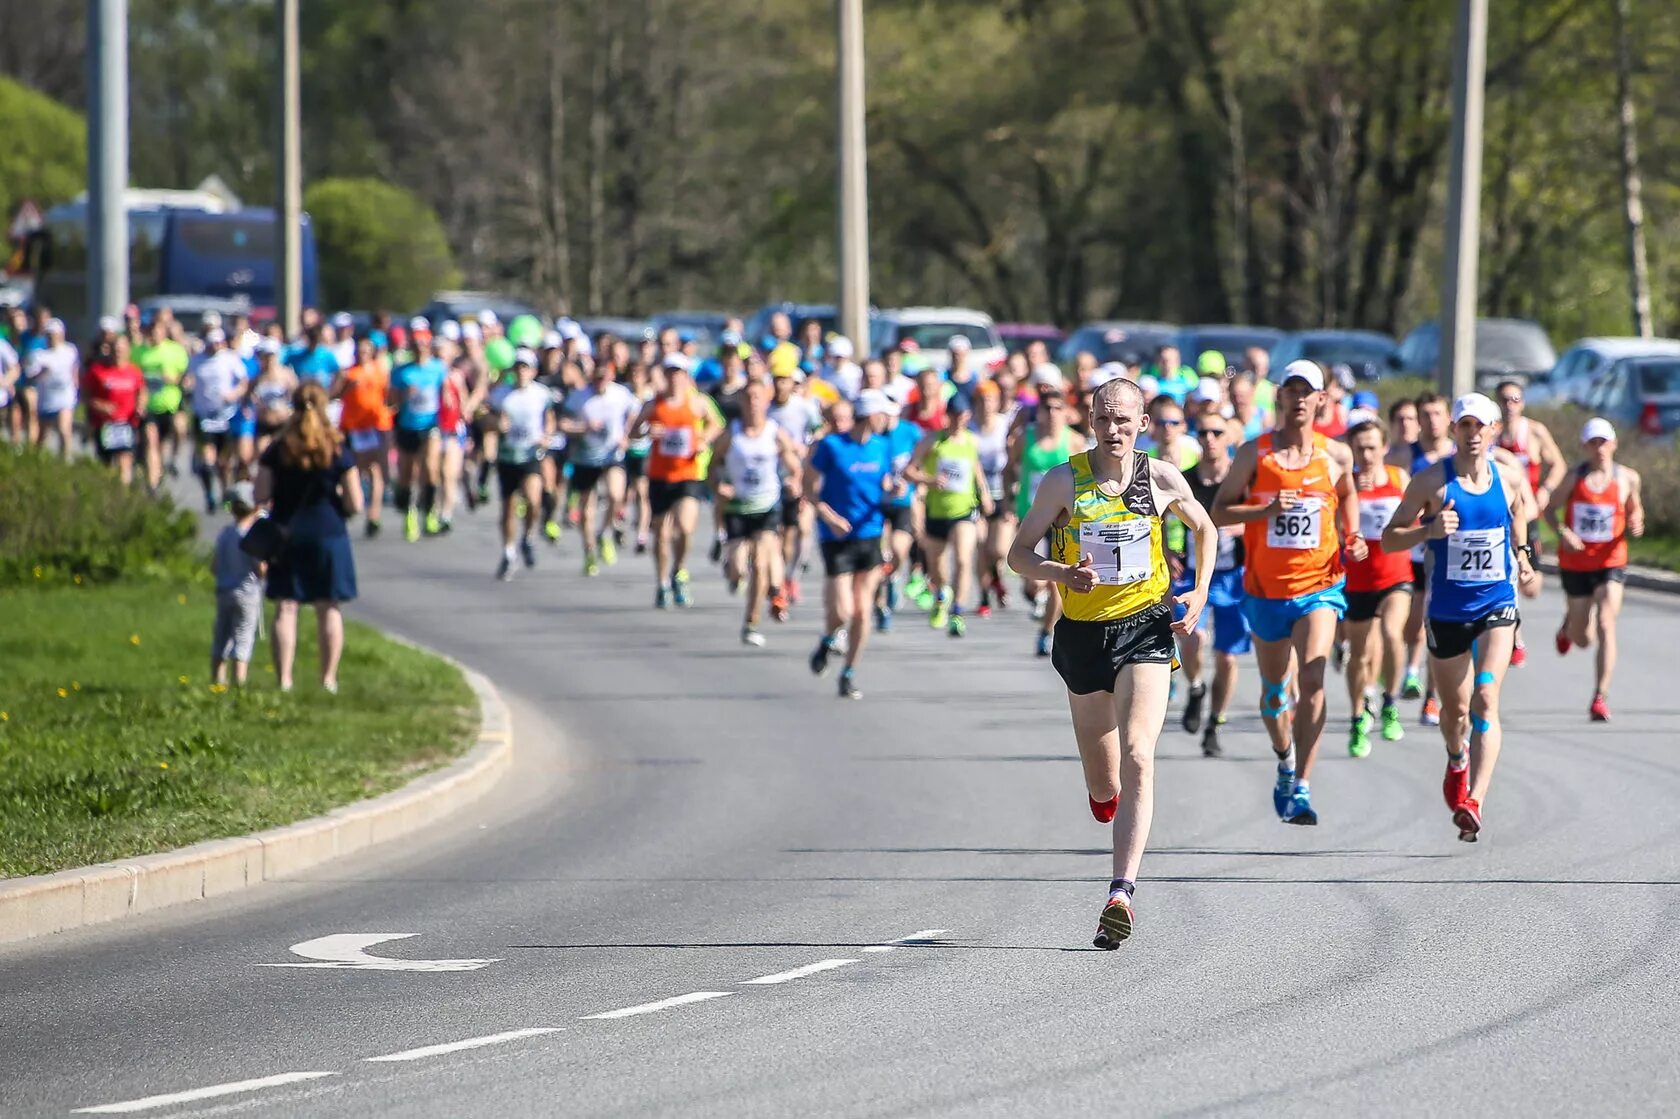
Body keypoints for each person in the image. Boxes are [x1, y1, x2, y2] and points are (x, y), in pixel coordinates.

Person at [1008, 376, 1216, 949]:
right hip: (1082, 635)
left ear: (1142, 423)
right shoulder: (1063, 481)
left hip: (1145, 626)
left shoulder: (1161, 477)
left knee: (1138, 756)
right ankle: (1107, 803)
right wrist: (1061, 573)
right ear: (1091, 422)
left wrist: (1198, 593)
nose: (1114, 429)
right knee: (1105, 786)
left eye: (1125, 419)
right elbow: (1018, 554)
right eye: (1104, 419)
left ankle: (1121, 891)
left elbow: (1207, 529)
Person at [1382, 392, 1540, 841]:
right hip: (1448, 611)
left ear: (1493, 431)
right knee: (1455, 713)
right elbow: (1390, 539)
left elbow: (1519, 512)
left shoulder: (1508, 477)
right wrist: (1428, 530)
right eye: (1464, 426)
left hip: (1497, 605)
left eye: (1480, 426)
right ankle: (1457, 757)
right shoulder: (1431, 481)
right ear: (1454, 431)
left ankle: (1476, 799)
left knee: (1486, 698)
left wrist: (1523, 554)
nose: (1472, 435)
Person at [1213, 361, 1364, 826]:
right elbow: (1218, 511)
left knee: (1314, 680)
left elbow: (1349, 493)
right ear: (1279, 396)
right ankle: (1284, 759)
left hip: (1320, 585)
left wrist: (1353, 535)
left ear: (1322, 399)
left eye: (1309, 391)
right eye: (1292, 390)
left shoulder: (1336, 455)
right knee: (1275, 695)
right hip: (1265, 592)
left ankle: (1302, 783)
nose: (1300, 399)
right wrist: (1266, 510)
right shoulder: (1254, 455)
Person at [254, 383, 363, 693]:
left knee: (287, 606)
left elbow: (260, 494)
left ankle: (284, 680)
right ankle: (328, 679)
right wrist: (339, 504)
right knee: (328, 606)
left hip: (287, 532)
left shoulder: (278, 449)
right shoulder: (337, 448)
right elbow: (356, 502)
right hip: (329, 533)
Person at [1550, 417, 1644, 721]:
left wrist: (1636, 521)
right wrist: (1564, 533)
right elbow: (1549, 510)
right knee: (1583, 639)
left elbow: (1635, 507)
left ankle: (1600, 696)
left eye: (1604, 442)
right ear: (1585, 446)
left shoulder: (1627, 477)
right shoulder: (1573, 478)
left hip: (1610, 561)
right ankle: (1569, 626)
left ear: (1614, 444)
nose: (1599, 448)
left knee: (1606, 623)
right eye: (1593, 443)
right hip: (1576, 563)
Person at [806, 393, 897, 699]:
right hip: (837, 537)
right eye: (880, 413)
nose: (885, 419)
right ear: (867, 415)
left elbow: (884, 481)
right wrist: (829, 517)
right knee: (843, 610)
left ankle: (849, 671)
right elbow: (809, 488)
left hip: (870, 534)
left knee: (862, 610)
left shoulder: (881, 446)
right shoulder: (832, 446)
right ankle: (827, 639)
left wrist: (893, 488)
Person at [1172, 412, 1250, 757]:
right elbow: (1159, 518)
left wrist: (1245, 528)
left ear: (1228, 436)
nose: (1209, 438)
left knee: (1227, 658)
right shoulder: (1185, 480)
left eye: (1216, 432)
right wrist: (1167, 551)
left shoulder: (1241, 481)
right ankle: (1196, 686)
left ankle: (1215, 724)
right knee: (1192, 636)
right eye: (1202, 431)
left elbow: (1266, 516)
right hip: (1193, 572)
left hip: (1234, 576)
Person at [1341, 420, 1414, 756]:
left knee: (1391, 633)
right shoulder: (1346, 484)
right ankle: (1358, 717)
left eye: (1372, 447)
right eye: (1360, 449)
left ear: (1385, 447)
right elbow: (1332, 530)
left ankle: (1390, 702)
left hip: (1395, 576)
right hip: (1357, 581)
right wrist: (1354, 493)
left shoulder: (1400, 479)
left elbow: (1416, 520)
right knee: (1358, 655)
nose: (1367, 455)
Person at [712, 377, 804, 645]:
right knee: (739, 569)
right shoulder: (732, 433)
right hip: (738, 507)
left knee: (761, 564)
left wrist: (794, 481)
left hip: (766, 505)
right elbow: (713, 465)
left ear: (765, 401)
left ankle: (752, 623)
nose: (752, 402)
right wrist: (719, 485)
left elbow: (794, 465)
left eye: (757, 397)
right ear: (741, 401)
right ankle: (735, 570)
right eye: (748, 397)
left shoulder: (774, 432)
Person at [1388, 391, 1455, 724]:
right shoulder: (1403, 455)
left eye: (1437, 414)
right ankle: (1409, 670)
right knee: (1413, 622)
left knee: (1434, 620)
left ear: (1448, 418)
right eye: (1424, 414)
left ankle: (1430, 696)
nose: (1431, 421)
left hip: (1447, 552)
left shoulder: (1459, 458)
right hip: (1413, 548)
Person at [906, 391, 993, 637]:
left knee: (964, 559)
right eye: (953, 415)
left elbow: (975, 467)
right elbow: (909, 471)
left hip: (963, 511)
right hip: (936, 512)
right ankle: (942, 594)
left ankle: (957, 612)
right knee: (936, 566)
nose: (957, 420)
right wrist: (930, 480)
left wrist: (984, 493)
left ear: (967, 416)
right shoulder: (932, 441)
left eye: (962, 416)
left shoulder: (970, 441)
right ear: (947, 416)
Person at [637, 355, 722, 607]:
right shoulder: (654, 404)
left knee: (685, 527)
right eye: (671, 372)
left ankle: (679, 571)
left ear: (686, 376)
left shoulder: (697, 402)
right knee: (661, 534)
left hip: (688, 474)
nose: (675, 377)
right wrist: (648, 431)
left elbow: (717, 425)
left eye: (679, 372)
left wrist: (704, 438)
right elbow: (633, 430)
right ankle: (662, 582)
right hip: (660, 475)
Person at [1494, 380, 1568, 668]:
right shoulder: (1491, 434)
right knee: (1504, 573)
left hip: (1530, 513)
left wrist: (1545, 491)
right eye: (1504, 400)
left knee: (1531, 587)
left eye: (1515, 399)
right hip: (1500, 514)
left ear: (1522, 402)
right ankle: (1514, 630)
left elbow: (1559, 464)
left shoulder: (1534, 431)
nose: (1509, 405)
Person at [1007, 386, 1082, 657]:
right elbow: (1009, 470)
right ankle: (1034, 595)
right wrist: (1007, 499)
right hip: (1031, 516)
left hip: (1062, 522)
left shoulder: (1073, 441)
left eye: (1057, 408)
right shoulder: (1023, 438)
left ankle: (1046, 631)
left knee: (1054, 581)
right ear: (1038, 412)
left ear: (1066, 412)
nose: (1051, 414)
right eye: (1046, 408)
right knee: (1031, 575)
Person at [562, 359, 641, 576]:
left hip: (612, 455)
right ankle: (589, 552)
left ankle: (604, 533)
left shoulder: (621, 394)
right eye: (596, 377)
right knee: (586, 511)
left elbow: (637, 412)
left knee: (616, 495)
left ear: (612, 376)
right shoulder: (580, 396)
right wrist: (583, 427)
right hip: (585, 457)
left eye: (604, 377)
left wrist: (626, 434)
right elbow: (563, 424)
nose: (600, 382)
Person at [493, 350, 555, 581]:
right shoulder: (501, 395)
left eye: (525, 367)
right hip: (508, 456)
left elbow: (549, 419)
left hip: (531, 455)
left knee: (533, 500)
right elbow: (485, 418)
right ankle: (509, 552)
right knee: (508, 509)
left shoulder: (541, 394)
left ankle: (527, 537)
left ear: (533, 371)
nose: (521, 372)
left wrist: (546, 435)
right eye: (518, 367)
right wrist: (497, 424)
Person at [332, 335, 394, 538]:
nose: (363, 354)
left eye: (367, 350)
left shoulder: (380, 372)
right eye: (360, 350)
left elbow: (388, 396)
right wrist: (346, 388)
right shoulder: (348, 373)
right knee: (351, 469)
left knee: (374, 470)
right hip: (351, 428)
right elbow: (332, 395)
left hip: (372, 428)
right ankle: (348, 506)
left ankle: (373, 516)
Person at [389, 323, 446, 542]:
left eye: (424, 343)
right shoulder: (402, 372)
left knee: (431, 467)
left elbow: (446, 393)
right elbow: (390, 402)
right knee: (407, 474)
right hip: (407, 426)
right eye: (417, 344)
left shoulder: (438, 368)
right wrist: (404, 395)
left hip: (430, 425)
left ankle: (429, 512)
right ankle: (409, 513)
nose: (420, 347)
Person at [185, 328, 249, 512]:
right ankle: (209, 494)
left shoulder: (229, 358)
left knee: (224, 462)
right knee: (208, 459)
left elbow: (244, 382)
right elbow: (187, 378)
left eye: (218, 342)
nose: (215, 346)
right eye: (212, 342)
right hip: (204, 415)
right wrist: (187, 385)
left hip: (225, 415)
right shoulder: (197, 360)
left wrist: (234, 394)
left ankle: (225, 492)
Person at [210, 481, 266, 687]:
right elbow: (259, 568)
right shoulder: (252, 536)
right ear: (255, 508)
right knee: (242, 636)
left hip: (224, 590)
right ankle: (239, 682)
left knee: (222, 635)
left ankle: (217, 679)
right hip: (247, 592)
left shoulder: (226, 534)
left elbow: (214, 566)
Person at [971, 381, 1014, 617]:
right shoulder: (969, 427)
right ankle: (984, 595)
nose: (985, 405)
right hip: (975, 496)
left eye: (990, 400)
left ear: (997, 402)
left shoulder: (1004, 425)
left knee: (998, 550)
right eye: (981, 400)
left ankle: (996, 577)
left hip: (1002, 494)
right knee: (980, 545)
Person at [82, 333, 146, 485]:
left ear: (128, 351)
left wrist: (140, 406)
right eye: (116, 349)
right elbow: (85, 396)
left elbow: (142, 391)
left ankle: (123, 496)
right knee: (106, 465)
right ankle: (108, 495)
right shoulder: (97, 371)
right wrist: (99, 405)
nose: (119, 352)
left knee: (125, 460)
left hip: (127, 424)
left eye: (122, 349)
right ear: (109, 350)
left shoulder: (134, 371)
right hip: (105, 424)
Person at [135, 316, 190, 488]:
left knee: (177, 432)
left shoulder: (175, 351)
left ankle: (171, 460)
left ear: (164, 332)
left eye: (157, 329)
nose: (154, 333)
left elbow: (185, 376)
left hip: (171, 404)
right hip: (148, 406)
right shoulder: (138, 352)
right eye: (151, 330)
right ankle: (152, 486)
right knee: (151, 442)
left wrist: (175, 378)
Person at [26, 317, 78, 458]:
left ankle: (65, 460)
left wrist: (76, 388)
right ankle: (37, 460)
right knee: (43, 435)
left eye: (55, 334)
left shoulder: (70, 351)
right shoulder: (39, 355)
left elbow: (74, 371)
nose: (52, 338)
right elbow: (29, 376)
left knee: (64, 430)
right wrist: (41, 372)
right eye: (49, 335)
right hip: (46, 399)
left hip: (64, 397)